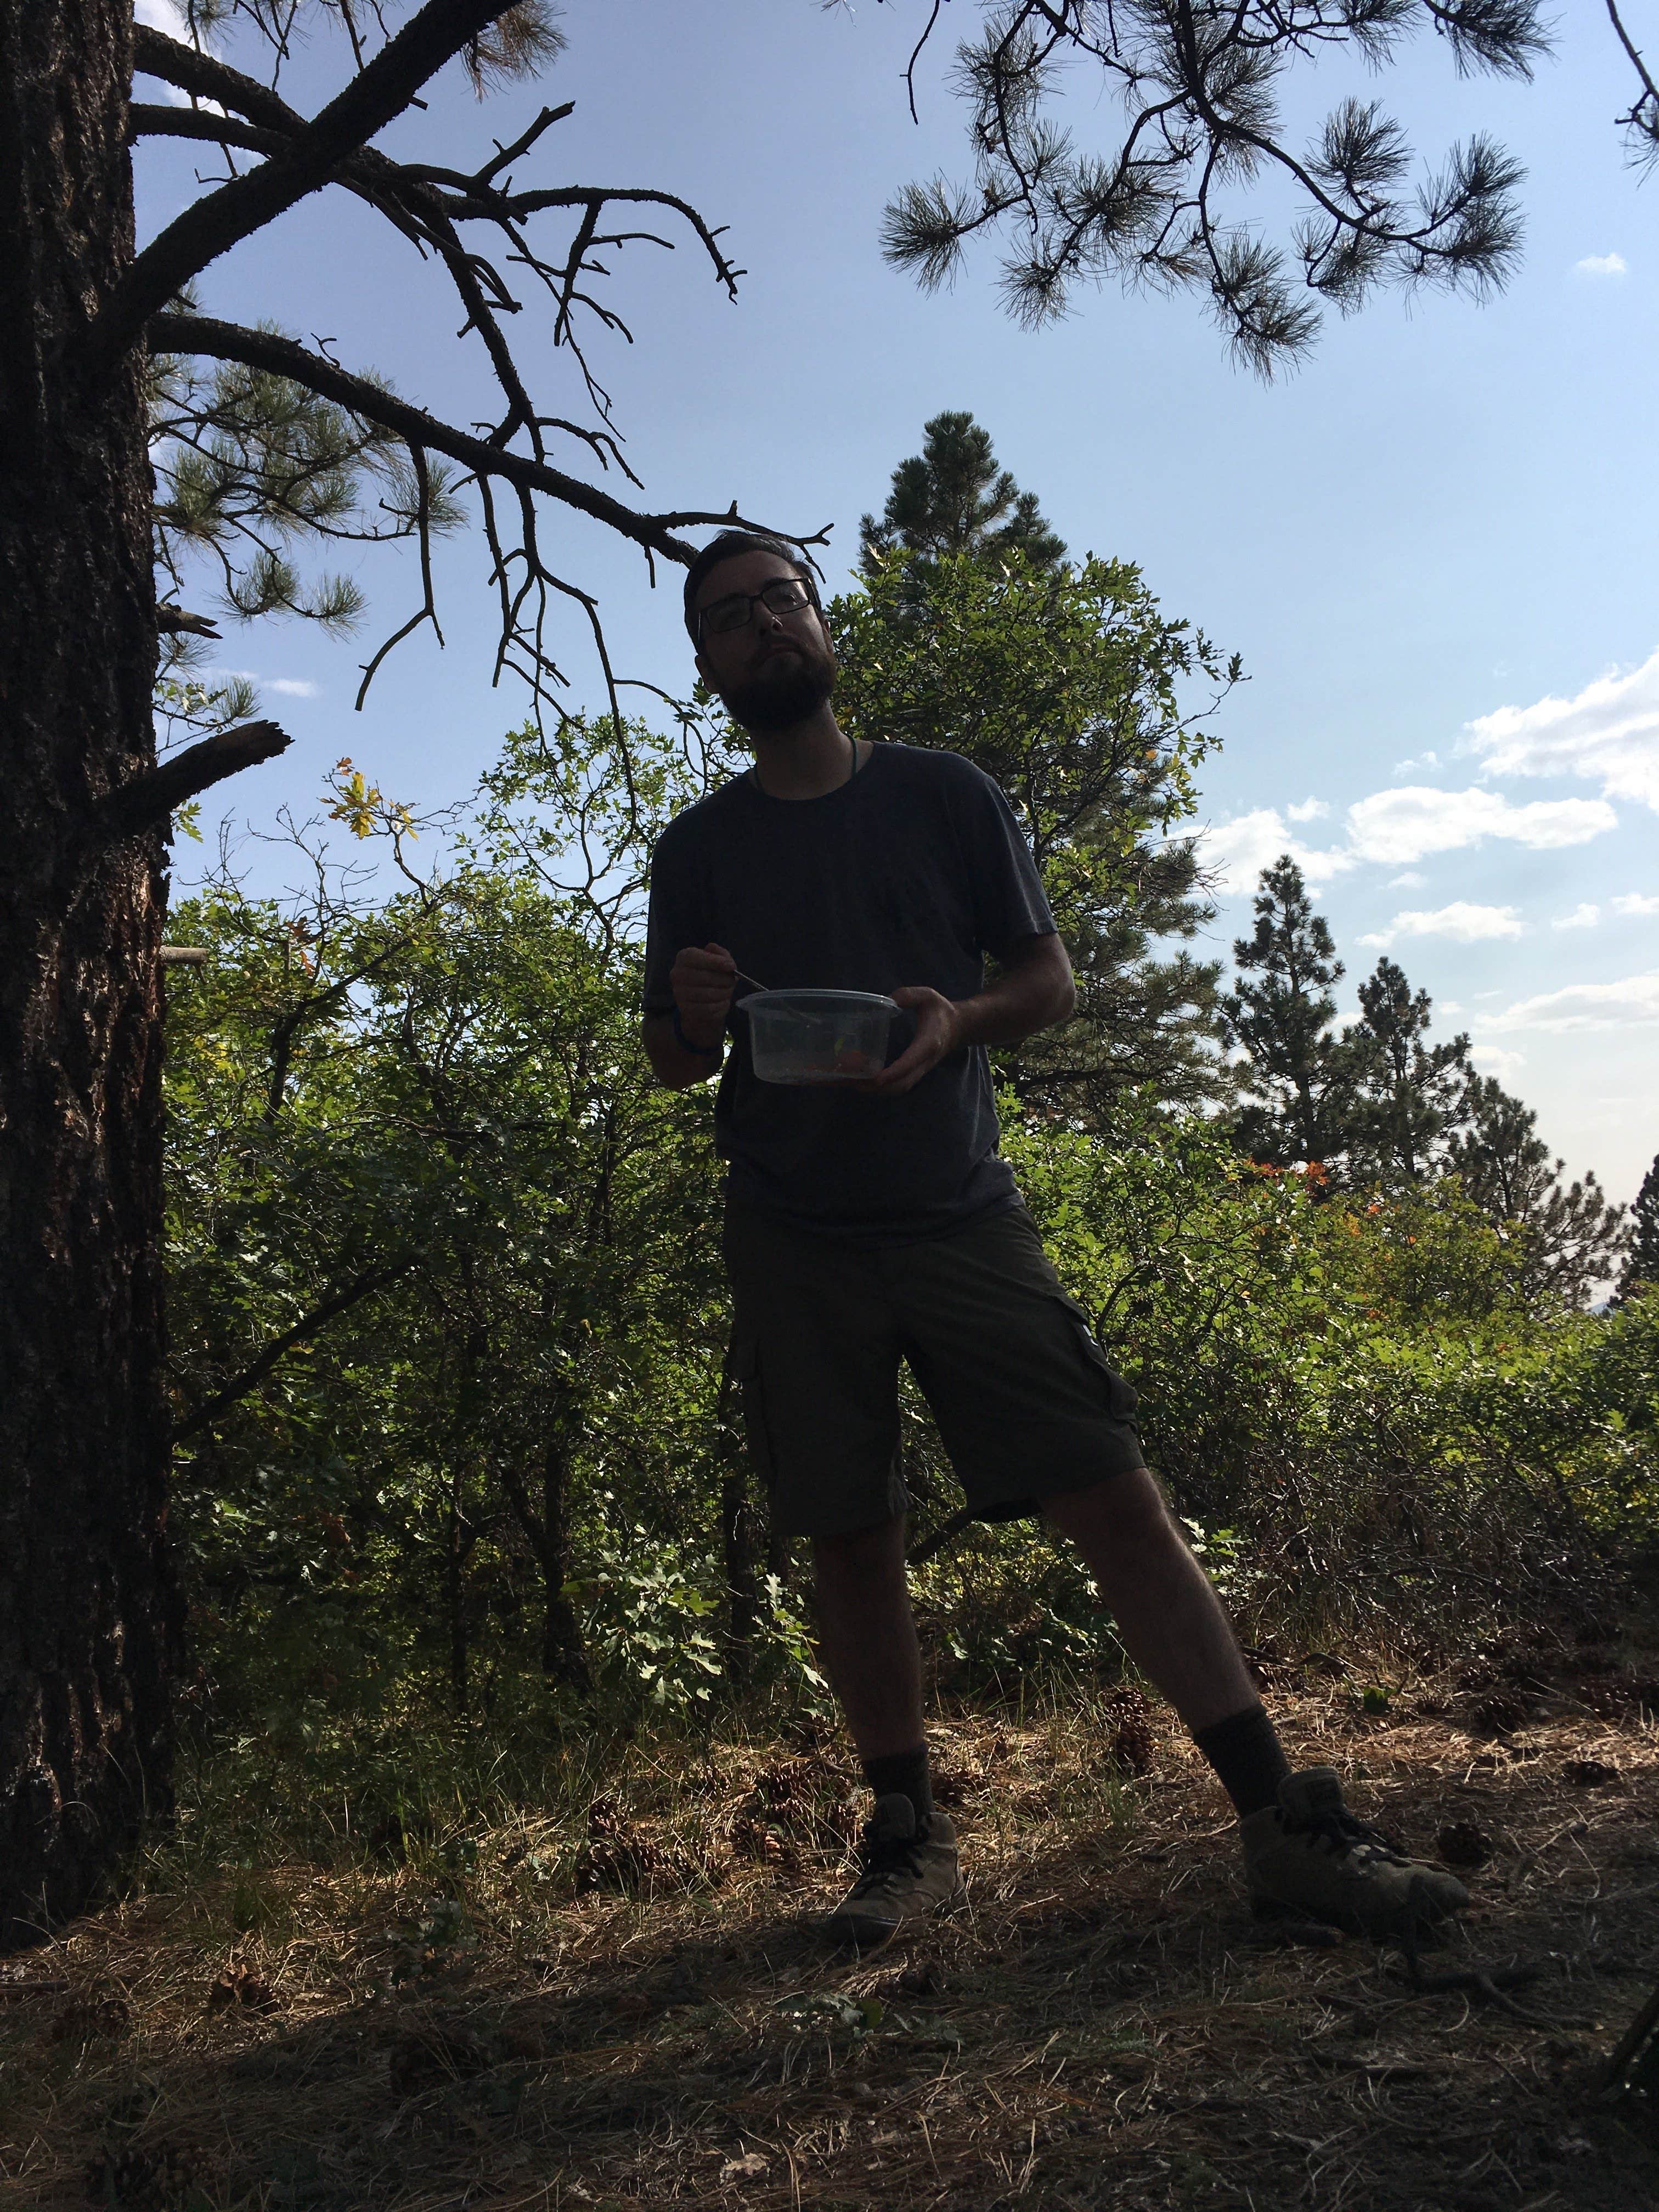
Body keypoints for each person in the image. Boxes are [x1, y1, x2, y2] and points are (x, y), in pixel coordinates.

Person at [641, 531, 1468, 1951]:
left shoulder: (944, 799)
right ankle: (907, 1838)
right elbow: (668, 1060)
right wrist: (698, 1016)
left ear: (822, 623)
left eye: (781, 598)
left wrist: (957, 1020)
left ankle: (1285, 1824)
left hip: (961, 1208)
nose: (763, 626)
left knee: (1114, 1496)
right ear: (708, 665)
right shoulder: (700, 852)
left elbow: (1048, 979)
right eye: (730, 617)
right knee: (851, 1534)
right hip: (792, 1232)